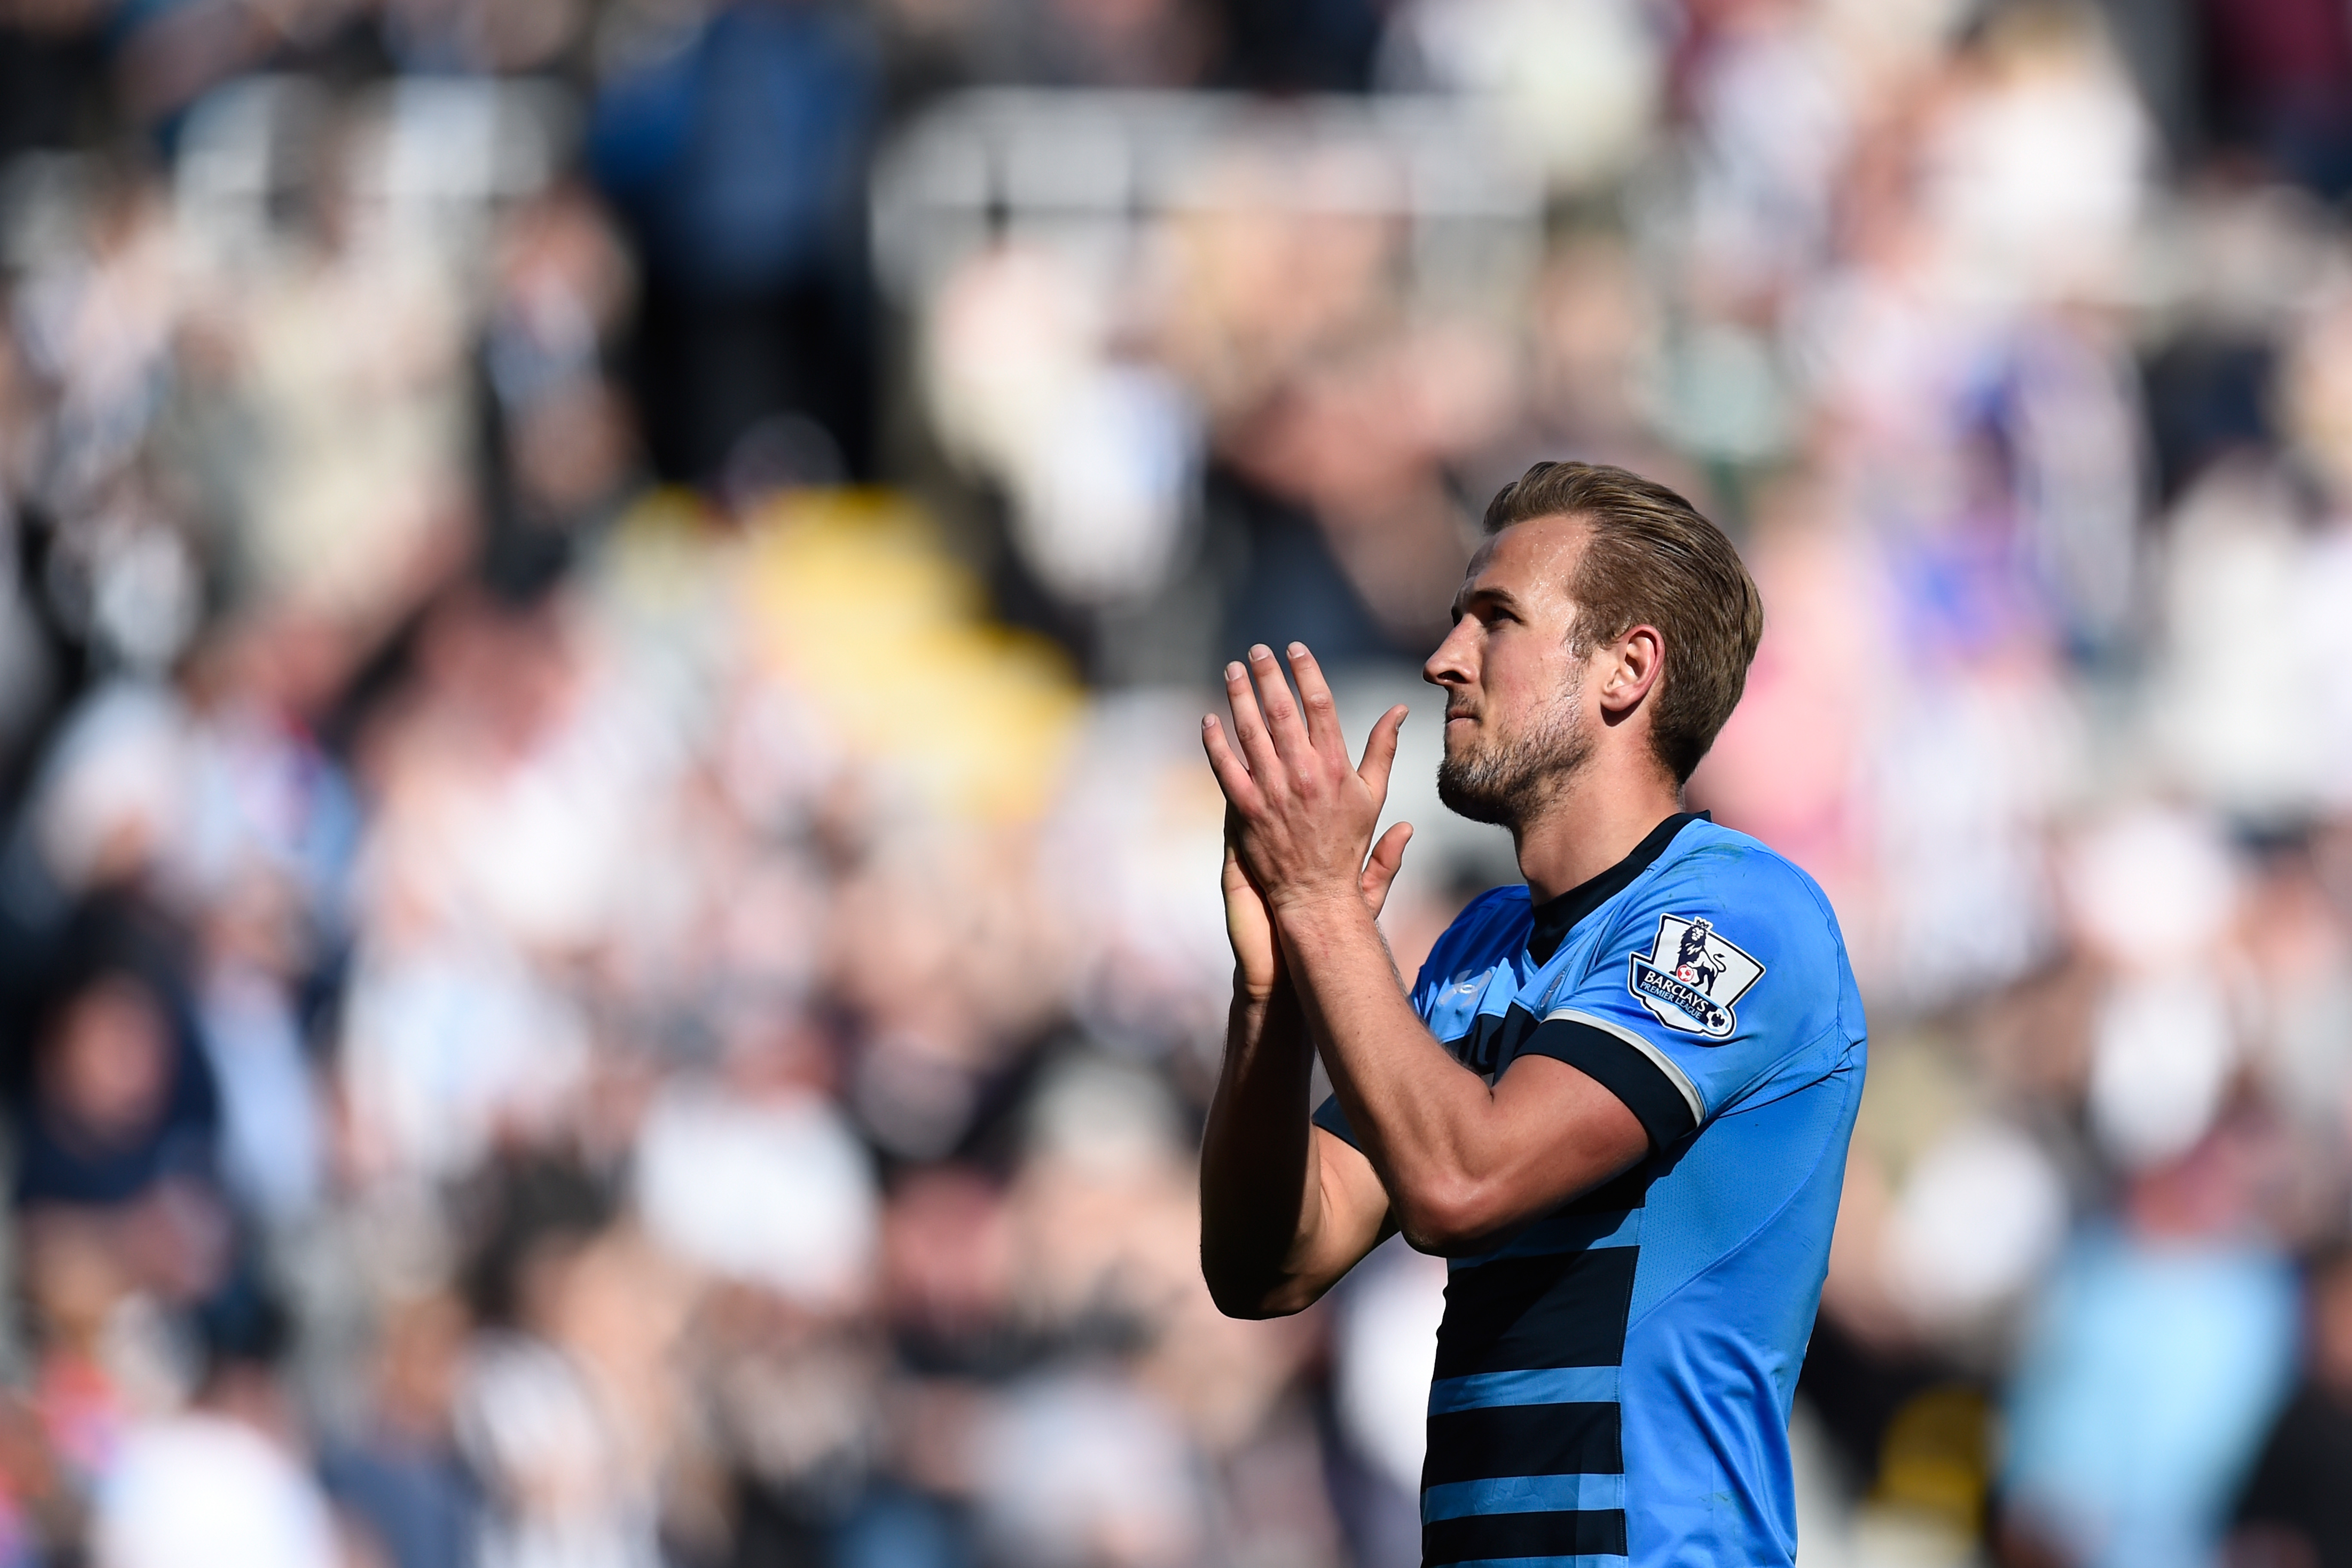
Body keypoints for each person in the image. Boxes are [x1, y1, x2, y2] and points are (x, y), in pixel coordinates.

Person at [1198, 459, 1866, 1568]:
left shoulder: (1740, 916)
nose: (1443, 658)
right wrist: (1274, 996)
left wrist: (1325, 905)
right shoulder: (1477, 949)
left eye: (1494, 619)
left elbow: (1466, 1182)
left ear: (1626, 670)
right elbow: (1271, 1262)